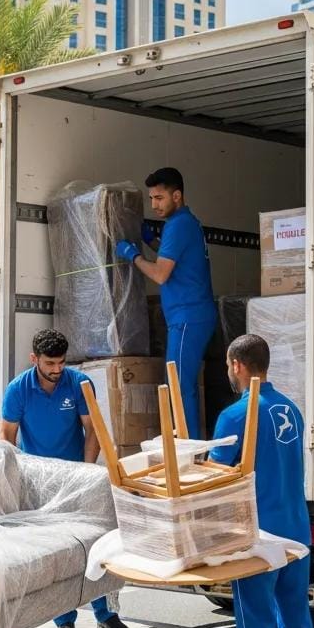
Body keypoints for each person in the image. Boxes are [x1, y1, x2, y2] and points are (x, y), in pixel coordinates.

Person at [208, 334, 314, 628]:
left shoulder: (237, 414)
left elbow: (217, 474)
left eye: (227, 365)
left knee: (254, 618)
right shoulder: (290, 408)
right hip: (296, 528)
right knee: (294, 614)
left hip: (259, 534)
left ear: (237, 365)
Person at [0, 328, 131, 628]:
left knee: (93, 544)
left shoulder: (78, 383)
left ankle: (105, 614)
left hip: (76, 475)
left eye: (60, 362)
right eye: (50, 363)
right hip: (40, 483)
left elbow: (93, 430)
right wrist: (16, 482)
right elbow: (6, 439)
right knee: (59, 551)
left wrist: (84, 471)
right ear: (35, 360)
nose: (57, 369)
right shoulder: (18, 390)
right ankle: (65, 620)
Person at [115, 167, 216, 438]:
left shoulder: (178, 225)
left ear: (177, 195)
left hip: (188, 318)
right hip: (192, 316)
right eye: (151, 199)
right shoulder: (186, 222)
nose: (154, 205)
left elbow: (161, 273)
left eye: (159, 198)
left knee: (180, 386)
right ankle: (188, 444)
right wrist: (151, 242)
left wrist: (134, 255)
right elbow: (172, 258)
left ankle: (189, 451)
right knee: (182, 385)